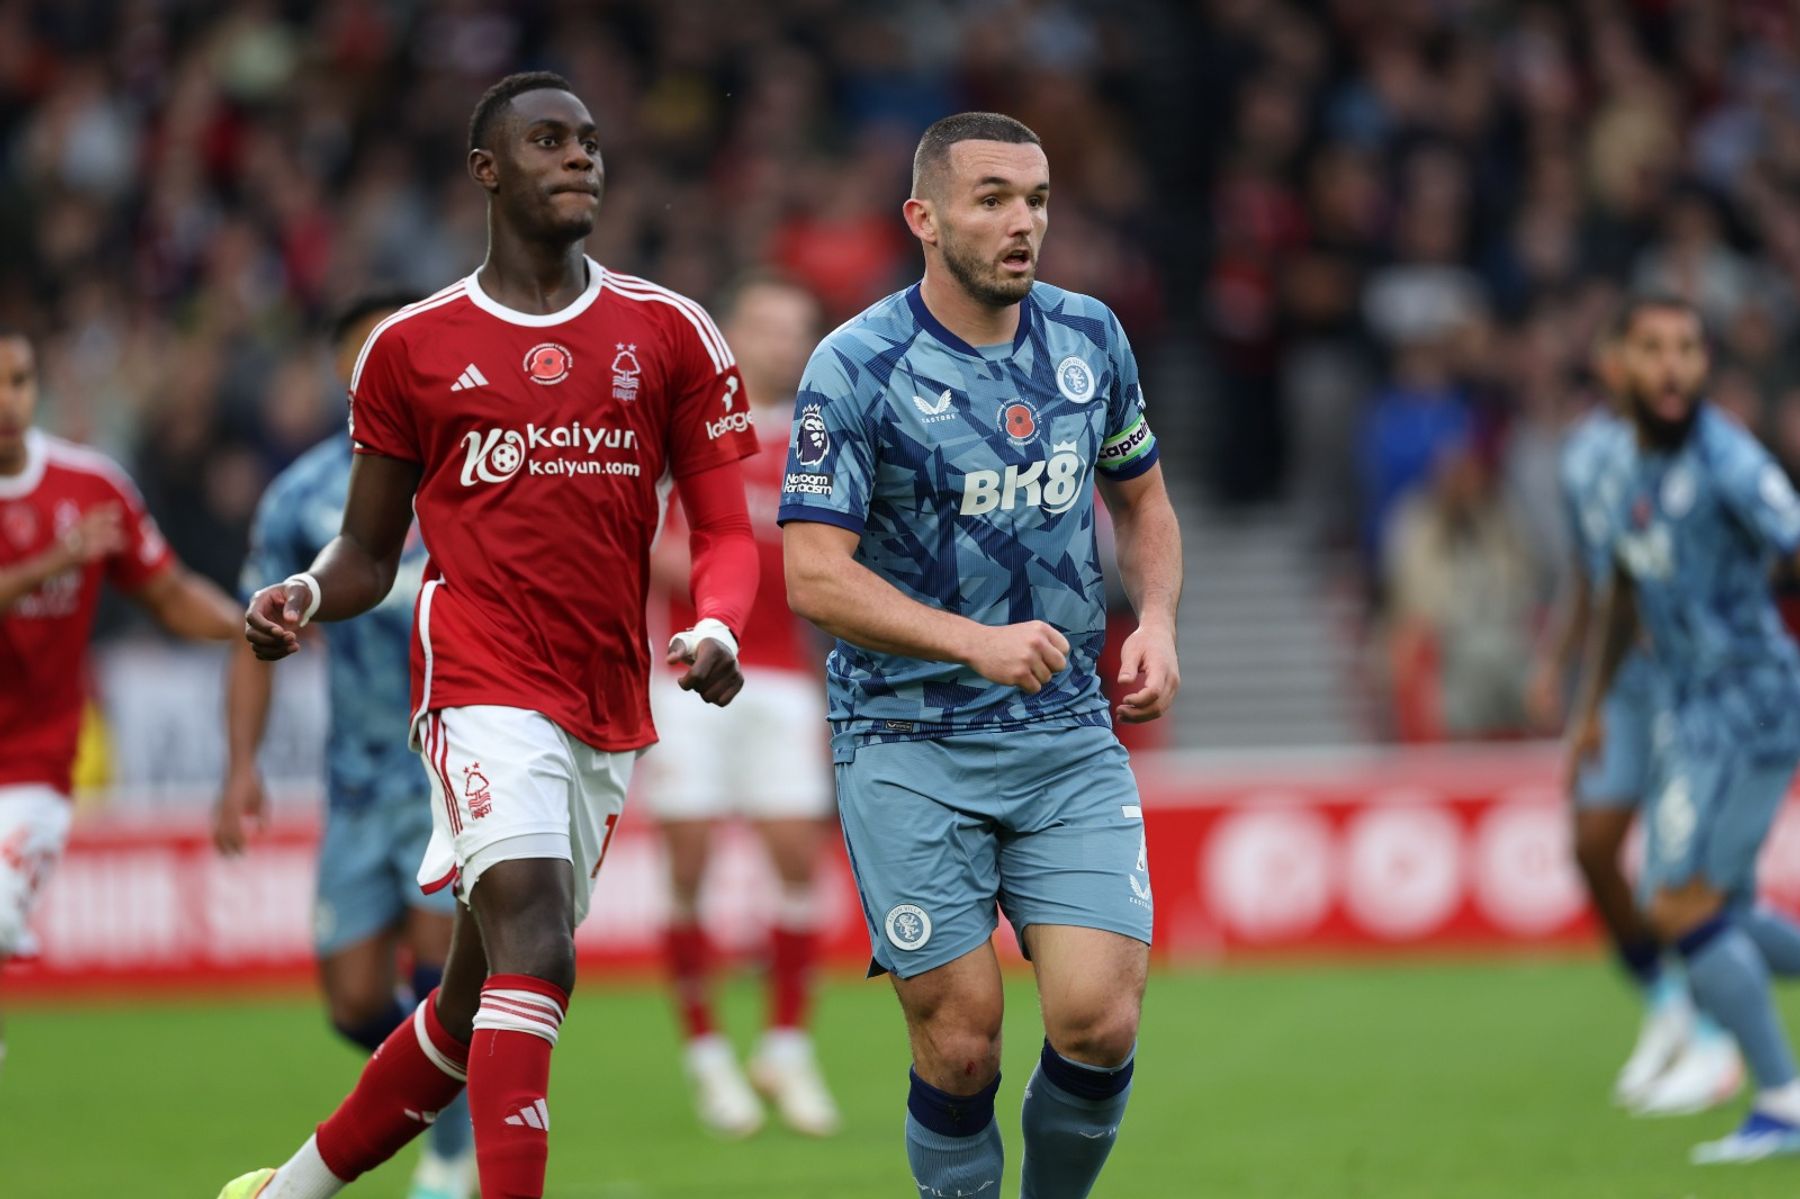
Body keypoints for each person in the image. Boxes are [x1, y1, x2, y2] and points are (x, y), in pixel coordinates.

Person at [218, 71, 758, 1199]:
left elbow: (724, 528)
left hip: (607, 702)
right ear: (487, 170)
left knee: (469, 1009)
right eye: (550, 141)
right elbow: (367, 553)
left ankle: (289, 1190)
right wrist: (306, 597)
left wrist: (717, 622)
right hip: (475, 675)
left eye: (591, 142)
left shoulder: (669, 330)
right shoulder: (412, 348)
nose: (580, 159)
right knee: (538, 940)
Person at [779, 112, 1183, 1199]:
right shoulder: (854, 365)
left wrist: (1156, 620)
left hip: (1063, 740)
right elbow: (814, 573)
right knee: (960, 1043)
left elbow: (1142, 500)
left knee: (1098, 1021)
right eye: (993, 198)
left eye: (1038, 199)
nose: (1023, 223)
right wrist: (974, 642)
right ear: (925, 217)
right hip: (907, 741)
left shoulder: (1090, 337)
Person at [213, 295, 475, 1199]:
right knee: (355, 999)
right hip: (356, 780)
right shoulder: (301, 496)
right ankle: (452, 1096)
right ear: (344, 373)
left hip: (452, 759)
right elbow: (254, 629)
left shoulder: (474, 463)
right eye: (377, 353)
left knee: (444, 968)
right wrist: (240, 764)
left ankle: (452, 1152)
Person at [1571, 294, 1800, 1164]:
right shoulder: (1623, 465)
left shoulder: (1730, 460)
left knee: (1678, 903)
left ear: (1704, 365)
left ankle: (1782, 1097)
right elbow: (1624, 591)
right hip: (1693, 709)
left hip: (1752, 705)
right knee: (1721, 908)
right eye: (1653, 348)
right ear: (1621, 363)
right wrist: (1591, 707)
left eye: (1688, 348)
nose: (1672, 365)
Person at [0, 326, 240, 1071]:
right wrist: (53, 563)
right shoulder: (67, 536)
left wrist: (250, 623)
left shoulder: (90, 486)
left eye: (19, 380)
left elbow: (168, 594)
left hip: (31, 770)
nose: (9, 401)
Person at [641, 272, 839, 1138]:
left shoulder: (819, 438)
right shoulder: (685, 430)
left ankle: (787, 1045)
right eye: (766, 323)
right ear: (731, 333)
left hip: (784, 676)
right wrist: (741, 569)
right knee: (689, 865)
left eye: (797, 327)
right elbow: (648, 545)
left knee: (798, 856)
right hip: (687, 670)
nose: (782, 341)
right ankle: (706, 1051)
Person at [1533, 325, 1739, 1117]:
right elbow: (1593, 573)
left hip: (1697, 677)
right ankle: (1667, 1004)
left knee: (1680, 872)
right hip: (1620, 680)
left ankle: (1718, 1040)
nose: (1656, 367)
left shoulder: (1709, 444)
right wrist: (1560, 665)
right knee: (1590, 843)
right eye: (1638, 351)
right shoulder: (1582, 453)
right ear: (1610, 361)